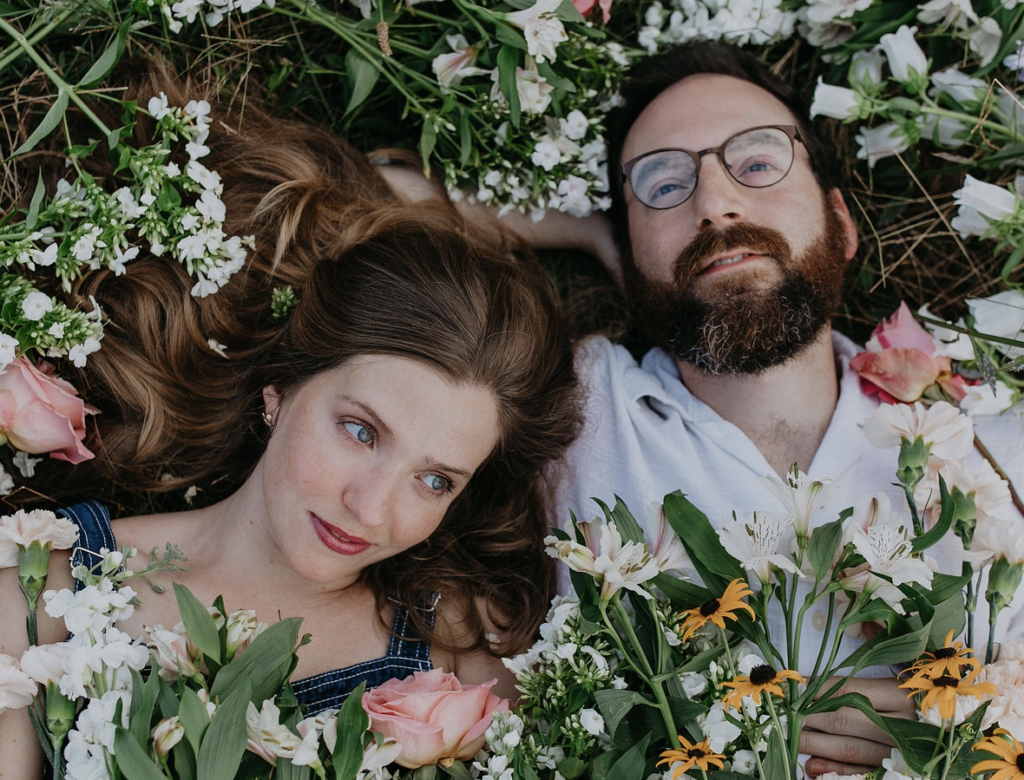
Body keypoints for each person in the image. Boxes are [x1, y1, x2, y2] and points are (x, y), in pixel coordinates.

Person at [0, 68, 581, 777]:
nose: (370, 508)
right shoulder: (42, 600)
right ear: (280, 387)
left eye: (433, 479)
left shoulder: (457, 682)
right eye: (362, 431)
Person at [551, 41, 1024, 777]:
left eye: (760, 162)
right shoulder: (575, 409)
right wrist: (589, 233)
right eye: (664, 184)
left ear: (842, 221)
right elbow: (374, 201)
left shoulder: (990, 435)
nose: (715, 203)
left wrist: (977, 716)